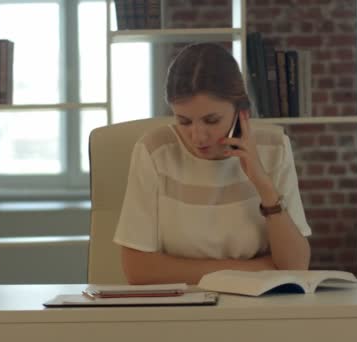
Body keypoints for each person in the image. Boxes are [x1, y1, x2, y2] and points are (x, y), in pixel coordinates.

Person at [113, 42, 311, 285]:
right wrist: (259, 268)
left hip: (258, 310)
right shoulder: (155, 151)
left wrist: (263, 184)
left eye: (211, 120)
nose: (197, 136)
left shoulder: (274, 148)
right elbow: (138, 269)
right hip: (180, 311)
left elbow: (296, 266)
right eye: (184, 121)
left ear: (241, 112)